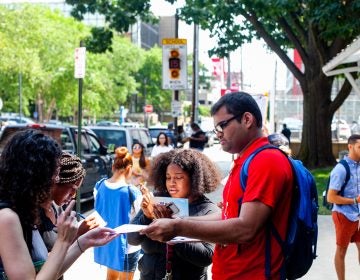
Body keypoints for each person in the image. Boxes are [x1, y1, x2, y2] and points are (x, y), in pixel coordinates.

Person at [140, 92, 294, 279]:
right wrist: (176, 222)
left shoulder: (266, 161)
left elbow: (246, 228)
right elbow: (227, 216)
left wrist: (177, 228)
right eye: (216, 129)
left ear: (247, 119)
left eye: (222, 126)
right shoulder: (246, 161)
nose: (218, 134)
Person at [0, 129, 118, 280]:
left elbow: (48, 272)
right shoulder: (7, 217)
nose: (56, 180)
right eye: (54, 174)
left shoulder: (25, 210)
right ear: (34, 174)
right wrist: (63, 241)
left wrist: (84, 242)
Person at [128, 149, 221, 280]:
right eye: (168, 177)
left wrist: (174, 230)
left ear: (194, 179)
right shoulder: (156, 201)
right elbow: (131, 239)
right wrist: (147, 217)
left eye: (178, 177)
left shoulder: (208, 210)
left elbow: (206, 257)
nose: (172, 182)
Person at [39, 152, 98, 280]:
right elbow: (42, 264)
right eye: (72, 188)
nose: (74, 195)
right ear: (56, 181)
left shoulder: (57, 207)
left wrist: (80, 234)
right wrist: (76, 236)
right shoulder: (34, 216)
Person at [94, 146, 142, 280]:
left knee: (110, 277)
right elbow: (140, 219)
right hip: (128, 246)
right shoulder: (132, 191)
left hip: (107, 241)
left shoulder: (99, 186)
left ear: (113, 166)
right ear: (129, 168)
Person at [327, 134, 360, 280]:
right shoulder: (340, 169)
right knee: (341, 251)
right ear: (350, 146)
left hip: (357, 215)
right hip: (344, 215)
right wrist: (354, 200)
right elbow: (331, 197)